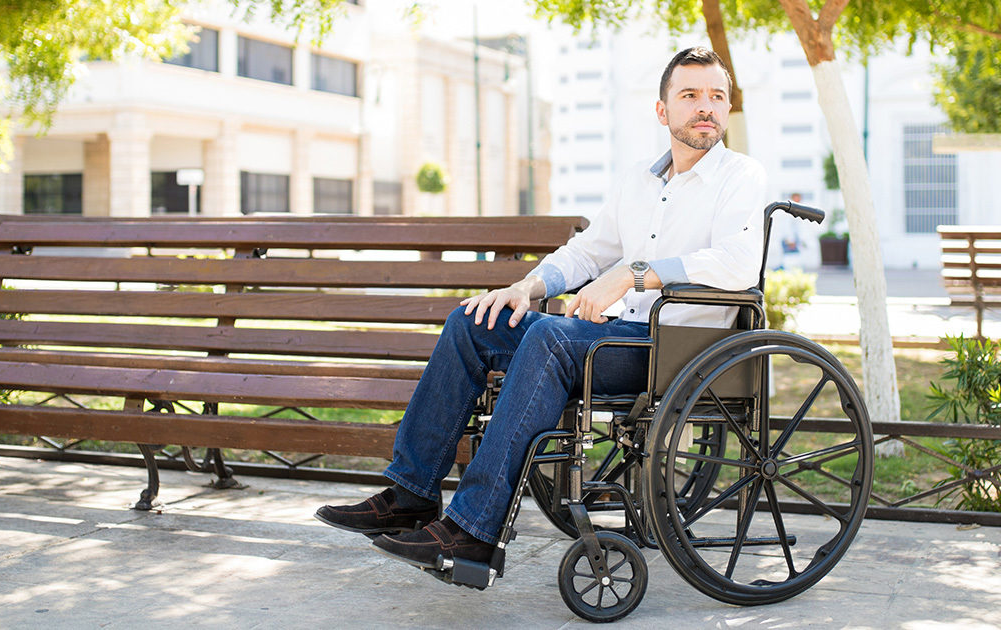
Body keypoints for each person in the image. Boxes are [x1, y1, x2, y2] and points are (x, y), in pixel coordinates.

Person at [315, 47, 767, 574]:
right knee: (474, 322)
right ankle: (410, 495)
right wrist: (525, 288)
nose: (705, 107)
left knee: (552, 336)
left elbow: (737, 264)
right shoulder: (640, 181)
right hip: (623, 335)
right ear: (663, 111)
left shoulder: (741, 175)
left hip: (681, 349)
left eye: (716, 96)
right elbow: (586, 252)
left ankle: (473, 532)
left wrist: (631, 273)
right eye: (690, 95)